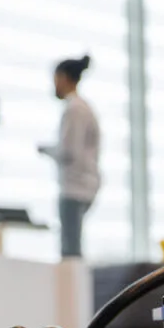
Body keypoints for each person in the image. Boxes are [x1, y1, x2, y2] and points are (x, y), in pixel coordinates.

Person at [38, 55, 101, 258]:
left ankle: (73, 290)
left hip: (75, 187)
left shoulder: (74, 109)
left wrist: (44, 150)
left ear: (64, 78)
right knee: (72, 245)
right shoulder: (84, 107)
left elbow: (68, 152)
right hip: (84, 183)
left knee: (70, 250)